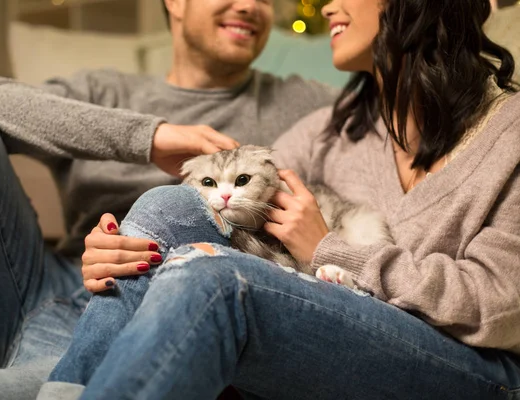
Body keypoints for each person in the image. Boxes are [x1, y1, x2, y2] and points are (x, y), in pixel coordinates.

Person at [37, 0, 520, 398]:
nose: (327, 6)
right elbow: (219, 206)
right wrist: (127, 244)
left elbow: (499, 307)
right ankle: (61, 388)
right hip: (345, 332)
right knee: (169, 207)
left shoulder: (510, 130)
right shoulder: (334, 128)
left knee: (217, 280)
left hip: (472, 369)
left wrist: (330, 248)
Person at [0, 1, 337, 399]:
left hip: (161, 315)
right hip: (45, 287)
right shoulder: (108, 89)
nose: (249, 5)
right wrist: (149, 137)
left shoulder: (302, 103)